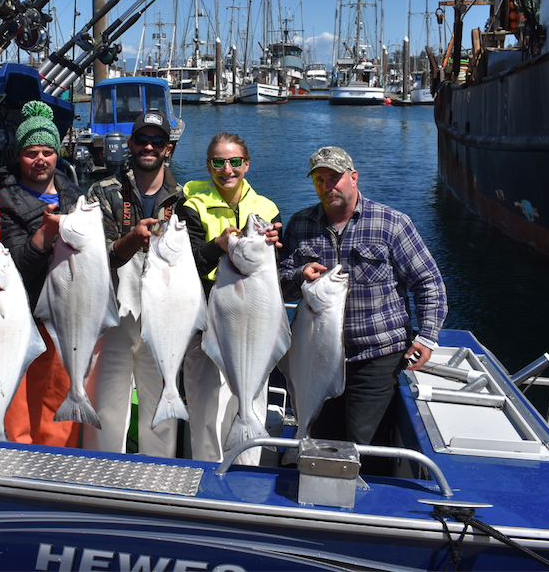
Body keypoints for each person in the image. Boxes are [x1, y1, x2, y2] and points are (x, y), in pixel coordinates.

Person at [278, 146, 447, 447]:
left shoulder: (392, 224)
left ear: (353, 177)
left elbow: (428, 283)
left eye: (334, 177)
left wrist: (427, 337)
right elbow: (280, 286)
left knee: (364, 445)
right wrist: (299, 273)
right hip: (315, 355)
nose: (327, 186)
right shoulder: (300, 225)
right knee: (320, 442)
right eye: (319, 179)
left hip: (376, 357)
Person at [83, 110, 183, 457]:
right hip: (115, 317)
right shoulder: (102, 191)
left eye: (157, 142)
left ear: (168, 149)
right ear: (130, 144)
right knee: (105, 409)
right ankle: (99, 483)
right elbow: (98, 259)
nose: (149, 147)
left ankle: (159, 486)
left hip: (166, 320)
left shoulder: (185, 199)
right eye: (142, 140)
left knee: (162, 413)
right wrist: (132, 240)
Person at [177, 132, 281, 463]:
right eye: (219, 162)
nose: (227, 169)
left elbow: (276, 264)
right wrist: (217, 246)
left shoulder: (266, 207)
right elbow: (184, 260)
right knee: (206, 405)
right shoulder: (191, 204)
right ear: (209, 165)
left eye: (235, 162)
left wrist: (279, 242)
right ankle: (207, 474)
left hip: (255, 320)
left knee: (249, 400)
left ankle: (248, 470)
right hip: (206, 317)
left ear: (246, 165)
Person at [0, 100, 84, 447]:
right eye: (32, 152)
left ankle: (58, 470)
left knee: (60, 397)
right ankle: (15, 468)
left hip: (65, 317)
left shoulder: (73, 195)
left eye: (48, 151)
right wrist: (45, 235)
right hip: (21, 316)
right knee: (17, 405)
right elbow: (14, 264)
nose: (41, 159)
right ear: (18, 155)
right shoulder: (1, 200)